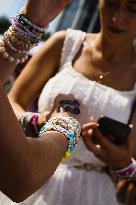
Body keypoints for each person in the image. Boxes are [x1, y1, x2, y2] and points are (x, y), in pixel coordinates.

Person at [3, 0, 136, 204]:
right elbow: (11, 101)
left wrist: (122, 163)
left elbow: (130, 156)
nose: (117, 18)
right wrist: (41, 121)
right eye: (110, 3)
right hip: (37, 176)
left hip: (96, 194)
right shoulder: (64, 43)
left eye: (132, 9)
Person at [0, 0, 87, 203]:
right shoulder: (65, 42)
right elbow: (22, 176)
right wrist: (67, 121)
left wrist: (31, 22)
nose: (118, 18)